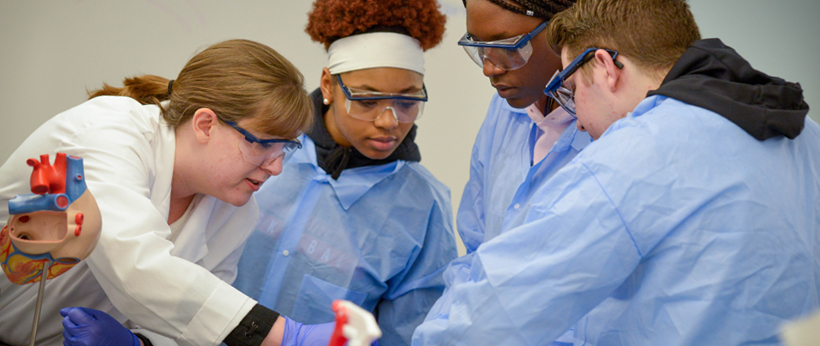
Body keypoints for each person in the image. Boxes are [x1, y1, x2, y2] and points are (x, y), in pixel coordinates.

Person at [414, 0, 820, 344]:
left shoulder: (636, 151)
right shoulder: (802, 133)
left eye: (572, 91)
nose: (579, 120)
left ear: (605, 66)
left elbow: (503, 306)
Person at [0, 39, 323, 346]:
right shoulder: (111, 132)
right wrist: (283, 336)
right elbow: (134, 264)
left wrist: (141, 342)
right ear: (205, 125)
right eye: (265, 144)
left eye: (285, 148)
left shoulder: (235, 212)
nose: (276, 167)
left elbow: (194, 329)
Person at [231, 1, 457, 345]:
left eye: (407, 103)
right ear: (328, 85)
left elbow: (408, 334)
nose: (389, 121)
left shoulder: (423, 207)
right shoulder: (258, 147)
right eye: (366, 101)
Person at [413, 0, 585, 344]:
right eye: (480, 49)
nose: (489, 69)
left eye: (508, 48)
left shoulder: (610, 128)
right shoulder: (506, 110)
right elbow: (479, 255)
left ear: (563, 31)